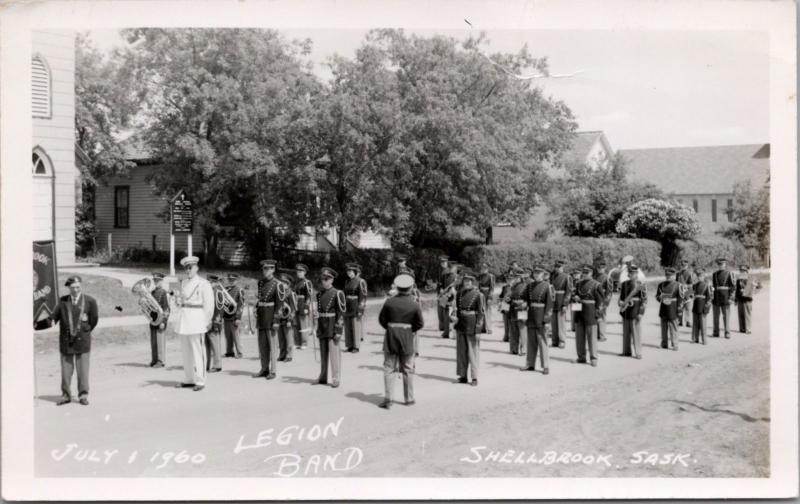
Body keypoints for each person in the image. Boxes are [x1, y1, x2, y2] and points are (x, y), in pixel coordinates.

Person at [378, 272, 425, 409]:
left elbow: (382, 320)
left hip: (391, 336)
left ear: (397, 287)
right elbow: (420, 324)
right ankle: (409, 399)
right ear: (411, 288)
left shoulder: (389, 302)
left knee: (389, 368)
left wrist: (391, 328)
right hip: (407, 337)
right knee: (408, 369)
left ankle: (388, 399)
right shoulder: (415, 304)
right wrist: (409, 329)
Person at [50, 275, 99, 405]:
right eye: (72, 288)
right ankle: (66, 395)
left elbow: (93, 321)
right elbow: (53, 319)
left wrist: (84, 331)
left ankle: (83, 395)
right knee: (66, 371)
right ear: (68, 288)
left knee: (83, 371)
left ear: (81, 286)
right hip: (66, 341)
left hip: (82, 340)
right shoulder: (62, 301)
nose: (76, 290)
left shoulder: (90, 301)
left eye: (78, 287)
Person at [174, 256, 215, 391]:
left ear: (196, 268)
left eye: (190, 267)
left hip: (197, 320)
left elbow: (209, 305)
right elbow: (180, 301)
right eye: (186, 267)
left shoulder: (203, 283)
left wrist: (207, 321)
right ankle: (189, 379)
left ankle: (201, 380)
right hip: (184, 320)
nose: (188, 270)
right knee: (186, 351)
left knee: (198, 351)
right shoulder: (184, 283)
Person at [315, 267, 346, 388]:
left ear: (332, 280)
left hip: (332, 325)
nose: (324, 281)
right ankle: (323, 376)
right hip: (322, 325)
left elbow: (341, 313)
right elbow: (319, 310)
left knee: (334, 354)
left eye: (327, 279)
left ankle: (335, 378)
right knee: (323, 353)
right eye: (323, 279)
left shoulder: (338, 293)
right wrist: (316, 316)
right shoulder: (319, 294)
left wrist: (338, 330)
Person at [254, 259, 283, 380]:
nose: (265, 271)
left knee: (272, 345)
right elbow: (260, 299)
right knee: (262, 345)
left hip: (271, 316)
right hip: (261, 316)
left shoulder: (278, 284)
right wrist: (256, 308)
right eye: (264, 269)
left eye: (268, 269)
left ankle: (273, 370)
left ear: (273, 269)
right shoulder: (260, 283)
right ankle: (264, 368)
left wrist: (276, 321)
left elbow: (279, 305)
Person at [521, 265, 553, 374]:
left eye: (539, 273)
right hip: (531, 315)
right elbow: (525, 299)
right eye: (535, 273)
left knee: (542, 341)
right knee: (531, 341)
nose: (537, 275)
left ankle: (545, 366)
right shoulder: (529, 286)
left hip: (541, 315)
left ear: (543, 274)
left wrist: (547, 320)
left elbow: (549, 305)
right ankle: (530, 364)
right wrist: (524, 304)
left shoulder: (548, 286)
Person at [454, 273, 485, 386]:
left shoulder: (479, 295)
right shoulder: (460, 294)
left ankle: (474, 377)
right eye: (465, 280)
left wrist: (478, 330)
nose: (466, 283)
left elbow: (481, 314)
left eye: (469, 281)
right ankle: (462, 376)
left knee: (473, 353)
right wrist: (455, 320)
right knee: (461, 352)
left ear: (473, 282)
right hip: (461, 324)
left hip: (472, 324)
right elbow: (457, 310)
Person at [572, 264, 604, 366]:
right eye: (584, 272)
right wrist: (574, 298)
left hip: (591, 312)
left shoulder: (596, 285)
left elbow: (600, 303)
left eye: (587, 272)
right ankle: (581, 357)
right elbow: (573, 297)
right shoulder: (578, 284)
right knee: (579, 337)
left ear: (591, 273)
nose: (585, 274)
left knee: (592, 337)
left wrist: (598, 316)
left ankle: (593, 358)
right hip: (579, 312)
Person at [618, 264, 647, 359]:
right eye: (629, 272)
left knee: (636, 333)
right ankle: (626, 351)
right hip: (626, 310)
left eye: (633, 273)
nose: (630, 274)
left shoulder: (641, 285)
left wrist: (641, 313)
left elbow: (644, 301)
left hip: (635, 310)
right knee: (626, 333)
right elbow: (621, 298)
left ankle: (638, 352)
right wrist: (620, 302)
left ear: (636, 273)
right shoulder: (624, 284)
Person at [656, 267, 684, 351]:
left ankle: (675, 343)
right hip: (664, 307)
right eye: (667, 275)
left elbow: (681, 298)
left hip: (673, 307)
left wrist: (679, 309)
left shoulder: (678, 285)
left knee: (673, 327)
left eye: (670, 275)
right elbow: (657, 296)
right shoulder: (661, 285)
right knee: (663, 327)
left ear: (674, 276)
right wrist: (661, 298)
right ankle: (664, 343)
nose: (668, 277)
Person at [343, 263, 367, 353]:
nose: (349, 273)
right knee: (348, 326)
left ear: (355, 272)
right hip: (347, 305)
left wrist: (361, 309)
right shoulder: (347, 281)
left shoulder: (361, 281)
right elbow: (344, 294)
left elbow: (363, 296)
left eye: (351, 271)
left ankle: (356, 347)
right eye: (348, 271)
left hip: (355, 305)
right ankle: (349, 345)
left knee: (355, 326)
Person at [149, 272, 170, 368]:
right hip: (153, 319)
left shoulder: (163, 292)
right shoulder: (152, 292)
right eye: (155, 280)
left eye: (157, 280)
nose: (156, 282)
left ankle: (161, 361)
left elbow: (167, 309)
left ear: (162, 281)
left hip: (160, 320)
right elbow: (149, 306)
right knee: (153, 341)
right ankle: (154, 359)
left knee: (160, 340)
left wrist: (164, 321)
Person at [549, 260, 572, 348]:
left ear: (563, 267)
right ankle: (554, 340)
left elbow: (568, 292)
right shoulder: (553, 276)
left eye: (559, 267)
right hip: (553, 301)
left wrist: (565, 304)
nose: (557, 269)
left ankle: (562, 340)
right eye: (556, 267)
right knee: (554, 322)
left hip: (561, 300)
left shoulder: (567, 277)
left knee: (561, 322)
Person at [711, 257, 735, 338]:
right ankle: (716, 332)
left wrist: (731, 298)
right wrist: (711, 296)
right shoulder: (714, 274)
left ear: (725, 264)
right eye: (719, 264)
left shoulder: (729, 274)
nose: (721, 266)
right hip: (716, 297)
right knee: (715, 316)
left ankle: (727, 332)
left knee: (726, 316)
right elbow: (713, 287)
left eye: (722, 264)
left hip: (725, 297)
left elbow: (732, 287)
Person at [205, 274, 224, 373]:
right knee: (206, 345)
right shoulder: (207, 292)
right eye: (209, 282)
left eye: (212, 282)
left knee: (215, 344)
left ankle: (217, 365)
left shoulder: (218, 293)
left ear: (216, 283)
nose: (210, 284)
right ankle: (206, 365)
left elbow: (220, 309)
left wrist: (216, 323)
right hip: (206, 322)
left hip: (214, 322)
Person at [293, 263, 314, 350]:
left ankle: (304, 342)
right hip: (296, 304)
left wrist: (306, 307)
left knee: (303, 324)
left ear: (305, 272)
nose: (299, 273)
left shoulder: (307, 282)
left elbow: (309, 296)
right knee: (296, 324)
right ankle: (297, 342)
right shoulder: (297, 282)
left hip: (303, 303)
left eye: (301, 271)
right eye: (298, 271)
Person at [223, 273, 244, 358]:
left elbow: (241, 304)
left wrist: (238, 317)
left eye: (233, 280)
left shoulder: (239, 290)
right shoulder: (226, 290)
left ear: (236, 280)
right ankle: (229, 352)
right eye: (230, 280)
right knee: (227, 335)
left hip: (234, 316)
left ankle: (239, 352)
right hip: (226, 315)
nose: (231, 281)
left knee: (236, 335)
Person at [277, 272, 297, 362]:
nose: (282, 284)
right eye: (281, 283)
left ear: (288, 284)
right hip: (280, 318)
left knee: (289, 338)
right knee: (281, 338)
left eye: (284, 283)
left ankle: (289, 355)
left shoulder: (291, 294)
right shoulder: (280, 294)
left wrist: (290, 319)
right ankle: (282, 354)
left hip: (288, 319)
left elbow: (293, 308)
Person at [735, 264, 761, 334]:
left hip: (747, 299)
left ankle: (748, 329)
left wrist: (755, 287)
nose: (742, 272)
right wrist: (735, 300)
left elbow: (760, 286)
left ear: (747, 271)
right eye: (741, 271)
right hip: (740, 299)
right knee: (741, 314)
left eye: (743, 271)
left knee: (747, 314)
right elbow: (737, 290)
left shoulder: (752, 278)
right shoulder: (738, 280)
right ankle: (742, 328)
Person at [508, 268, 528, 356]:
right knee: (513, 329)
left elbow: (528, 299)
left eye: (517, 277)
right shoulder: (512, 287)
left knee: (522, 329)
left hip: (522, 308)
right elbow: (509, 297)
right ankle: (514, 348)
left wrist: (525, 304)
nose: (515, 278)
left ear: (521, 276)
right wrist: (508, 300)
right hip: (513, 308)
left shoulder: (527, 286)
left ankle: (524, 349)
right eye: (515, 276)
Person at [690, 267, 713, 344]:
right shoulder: (695, 285)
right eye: (698, 276)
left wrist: (706, 308)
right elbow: (688, 294)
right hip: (695, 306)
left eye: (701, 276)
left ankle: (704, 339)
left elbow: (709, 298)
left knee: (703, 324)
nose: (700, 278)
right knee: (695, 323)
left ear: (704, 277)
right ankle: (695, 339)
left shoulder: (707, 286)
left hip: (703, 307)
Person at [437, 256, 457, 339]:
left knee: (451, 314)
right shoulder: (445, 274)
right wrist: (440, 289)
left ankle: (449, 333)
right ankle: (446, 331)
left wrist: (448, 292)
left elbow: (454, 287)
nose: (451, 270)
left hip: (451, 296)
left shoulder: (453, 276)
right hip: (445, 296)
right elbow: (440, 284)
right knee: (445, 314)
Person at [594, 260, 611, 342]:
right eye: (598, 268)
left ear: (605, 268)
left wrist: (606, 303)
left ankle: (602, 335)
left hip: (602, 299)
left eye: (601, 268)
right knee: (595, 317)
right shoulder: (595, 277)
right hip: (595, 299)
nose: (600, 269)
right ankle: (597, 334)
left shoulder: (607, 278)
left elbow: (609, 292)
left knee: (602, 317)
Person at [676, 259, 696, 327]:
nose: (683, 266)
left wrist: (685, 286)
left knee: (688, 307)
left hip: (688, 291)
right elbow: (676, 283)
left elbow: (692, 284)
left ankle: (688, 321)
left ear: (687, 266)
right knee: (680, 307)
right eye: (682, 265)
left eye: (685, 265)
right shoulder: (678, 274)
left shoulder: (690, 274)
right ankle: (680, 321)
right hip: (680, 291)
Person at [477, 262, 496, 335]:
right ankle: (483, 328)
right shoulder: (480, 276)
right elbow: (478, 286)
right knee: (481, 310)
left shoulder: (491, 276)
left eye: (485, 268)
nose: (484, 269)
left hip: (487, 294)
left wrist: (490, 298)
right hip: (481, 294)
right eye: (483, 268)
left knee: (488, 312)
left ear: (488, 269)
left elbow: (492, 288)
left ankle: (489, 328)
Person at [499, 269, 516, 343]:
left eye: (510, 279)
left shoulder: (515, 287)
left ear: (513, 280)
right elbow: (501, 296)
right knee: (505, 321)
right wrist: (500, 303)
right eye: (508, 279)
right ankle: (506, 336)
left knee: (511, 321)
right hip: (505, 305)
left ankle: (511, 336)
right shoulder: (504, 287)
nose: (509, 281)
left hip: (512, 305)